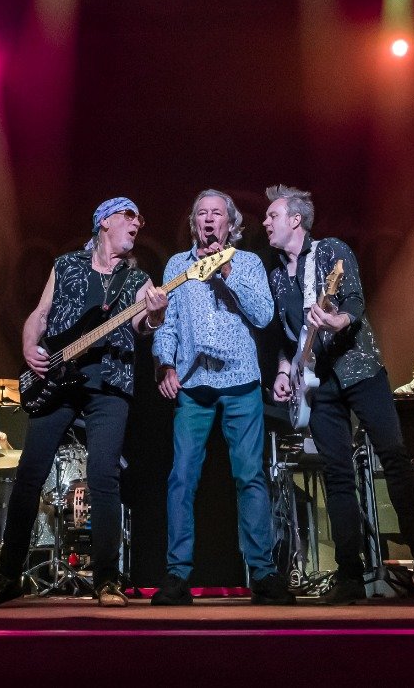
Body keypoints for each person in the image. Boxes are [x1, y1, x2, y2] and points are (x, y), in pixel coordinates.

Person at [0, 198, 168, 608]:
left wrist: (155, 316)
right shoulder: (66, 265)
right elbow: (40, 315)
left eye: (140, 219)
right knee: (29, 476)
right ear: (105, 221)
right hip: (56, 382)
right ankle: (7, 577)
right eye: (129, 216)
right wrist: (29, 345)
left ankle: (107, 579)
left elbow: (141, 324)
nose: (137, 224)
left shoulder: (138, 279)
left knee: (104, 478)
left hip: (109, 384)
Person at [261, 185, 414, 605]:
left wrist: (336, 320)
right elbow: (287, 337)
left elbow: (354, 302)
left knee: (395, 458)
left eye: (273, 215)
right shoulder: (277, 277)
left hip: (360, 371)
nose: (266, 222)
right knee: (337, 475)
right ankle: (349, 575)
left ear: (295, 220)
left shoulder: (331, 251)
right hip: (319, 384)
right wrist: (284, 370)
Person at [150, 190, 294, 606]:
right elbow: (167, 323)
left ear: (230, 223)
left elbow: (264, 315)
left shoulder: (247, 263)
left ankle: (263, 573)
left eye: (217, 213)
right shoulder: (177, 265)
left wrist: (227, 270)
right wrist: (165, 363)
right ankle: (177, 575)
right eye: (202, 213)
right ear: (194, 223)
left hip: (241, 382)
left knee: (250, 476)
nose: (209, 219)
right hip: (194, 386)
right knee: (182, 477)